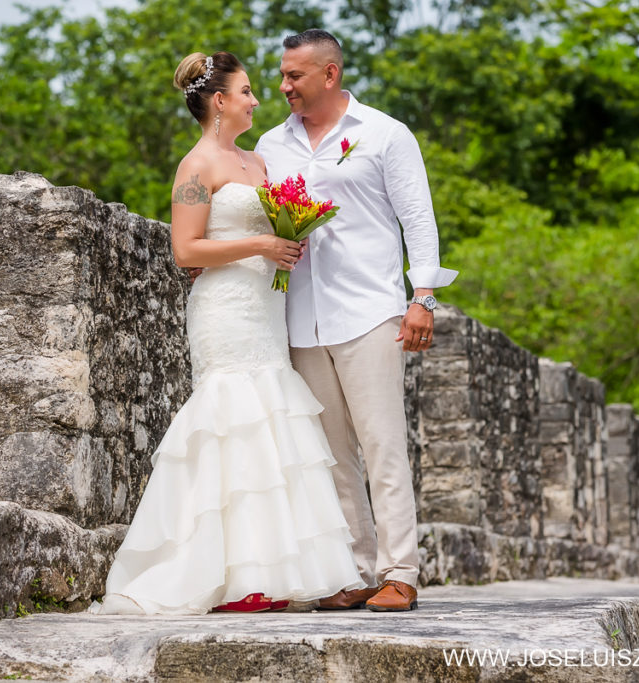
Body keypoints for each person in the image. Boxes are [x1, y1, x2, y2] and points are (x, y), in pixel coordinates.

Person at [87, 51, 364, 615]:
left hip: (265, 309)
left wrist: (288, 243)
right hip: (225, 310)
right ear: (219, 102)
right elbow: (186, 250)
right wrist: (261, 244)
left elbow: (270, 228)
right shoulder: (196, 167)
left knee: (271, 427)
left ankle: (271, 574)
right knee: (233, 421)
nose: (256, 100)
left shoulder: (258, 163)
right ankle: (226, 577)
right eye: (245, 92)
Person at [254, 29, 458, 612]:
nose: (284, 85)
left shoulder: (385, 134)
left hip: (371, 310)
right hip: (301, 315)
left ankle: (401, 572)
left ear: (330, 75)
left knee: (383, 444)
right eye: (283, 74)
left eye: (295, 76)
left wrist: (424, 297)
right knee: (332, 451)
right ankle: (357, 571)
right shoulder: (272, 143)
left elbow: (418, 218)